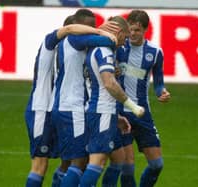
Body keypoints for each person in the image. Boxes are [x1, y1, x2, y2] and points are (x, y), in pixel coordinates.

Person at [24, 14, 119, 187]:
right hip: (41, 109)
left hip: (57, 107)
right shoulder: (54, 41)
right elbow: (69, 29)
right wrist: (101, 32)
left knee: (68, 161)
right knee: (42, 165)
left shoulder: (74, 49)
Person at [79, 16, 145, 187]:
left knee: (118, 158)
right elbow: (109, 83)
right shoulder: (104, 51)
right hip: (102, 112)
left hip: (105, 112)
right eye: (124, 37)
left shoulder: (97, 49)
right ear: (118, 32)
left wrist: (116, 116)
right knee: (97, 162)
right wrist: (132, 106)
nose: (124, 43)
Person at [109, 10, 170, 187]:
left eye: (137, 30)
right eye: (130, 29)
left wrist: (162, 92)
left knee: (157, 165)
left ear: (145, 30)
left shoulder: (155, 52)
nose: (133, 34)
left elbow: (158, 82)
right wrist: (113, 70)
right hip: (121, 113)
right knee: (127, 168)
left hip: (143, 113)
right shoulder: (117, 46)